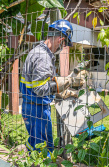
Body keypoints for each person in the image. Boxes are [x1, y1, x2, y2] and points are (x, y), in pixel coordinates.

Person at [20, 20, 76, 155]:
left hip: (33, 106)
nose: (61, 47)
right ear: (61, 39)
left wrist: (62, 91)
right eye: (63, 44)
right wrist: (67, 81)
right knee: (41, 149)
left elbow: (43, 82)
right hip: (37, 110)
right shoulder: (43, 56)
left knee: (39, 144)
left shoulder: (39, 52)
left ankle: (30, 158)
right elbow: (40, 89)